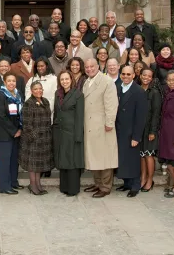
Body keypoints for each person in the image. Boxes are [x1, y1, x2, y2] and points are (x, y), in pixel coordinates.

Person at [82, 59, 118, 198]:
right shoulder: (86, 82)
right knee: (93, 156)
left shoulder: (106, 81)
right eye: (87, 67)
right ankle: (97, 183)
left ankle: (106, 186)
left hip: (102, 125)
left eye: (92, 66)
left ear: (98, 67)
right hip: (90, 125)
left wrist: (109, 122)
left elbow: (111, 104)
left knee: (105, 157)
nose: (89, 69)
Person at [115, 65, 147, 197]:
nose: (126, 76)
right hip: (119, 130)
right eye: (123, 74)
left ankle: (135, 185)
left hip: (131, 131)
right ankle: (126, 183)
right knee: (122, 158)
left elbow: (141, 116)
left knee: (132, 159)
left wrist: (136, 136)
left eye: (129, 74)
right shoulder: (117, 88)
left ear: (134, 75)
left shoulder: (139, 91)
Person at [53, 71, 85, 196]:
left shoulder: (78, 95)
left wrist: (78, 136)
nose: (64, 81)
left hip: (72, 133)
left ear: (71, 80)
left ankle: (73, 188)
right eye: (62, 79)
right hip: (60, 132)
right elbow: (56, 112)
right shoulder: (58, 93)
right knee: (63, 160)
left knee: (72, 161)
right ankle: (64, 187)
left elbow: (79, 116)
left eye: (67, 79)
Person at [20, 80, 54, 195]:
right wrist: (34, 137)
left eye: (40, 89)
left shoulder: (45, 101)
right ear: (31, 91)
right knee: (33, 165)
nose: (38, 91)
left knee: (39, 164)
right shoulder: (28, 103)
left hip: (44, 139)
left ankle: (38, 184)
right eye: (35, 89)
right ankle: (33, 185)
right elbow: (27, 124)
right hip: (33, 140)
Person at [0, 72, 24, 195]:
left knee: (13, 159)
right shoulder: (0, 95)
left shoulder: (18, 94)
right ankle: (4, 186)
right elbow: (1, 116)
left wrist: (20, 128)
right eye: (9, 81)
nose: (12, 83)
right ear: (4, 82)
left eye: (14, 81)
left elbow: (21, 112)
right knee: (5, 160)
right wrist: (14, 130)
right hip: (5, 133)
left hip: (17, 132)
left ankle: (13, 182)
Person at [139, 68, 162, 192]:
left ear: (152, 78)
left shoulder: (154, 93)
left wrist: (153, 131)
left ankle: (149, 180)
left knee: (149, 155)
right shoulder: (137, 90)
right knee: (141, 155)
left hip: (150, 130)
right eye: (144, 75)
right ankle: (142, 177)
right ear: (140, 75)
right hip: (139, 129)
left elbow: (156, 113)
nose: (146, 77)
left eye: (149, 76)